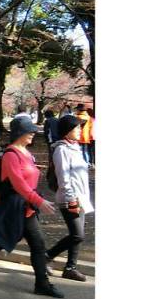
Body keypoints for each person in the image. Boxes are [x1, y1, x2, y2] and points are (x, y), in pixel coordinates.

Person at [0, 117, 64, 298]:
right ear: (19, 133)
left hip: (27, 206)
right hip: (15, 206)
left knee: (36, 244)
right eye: (29, 131)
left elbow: (29, 182)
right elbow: (18, 184)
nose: (33, 134)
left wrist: (36, 199)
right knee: (3, 241)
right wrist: (39, 201)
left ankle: (42, 283)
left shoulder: (25, 152)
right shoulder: (10, 155)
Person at [45, 115, 94, 281]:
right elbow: (63, 176)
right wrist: (71, 197)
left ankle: (70, 267)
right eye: (77, 128)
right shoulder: (61, 150)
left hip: (81, 198)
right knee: (77, 235)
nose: (80, 130)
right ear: (67, 131)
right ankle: (46, 256)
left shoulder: (75, 147)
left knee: (77, 236)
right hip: (69, 199)